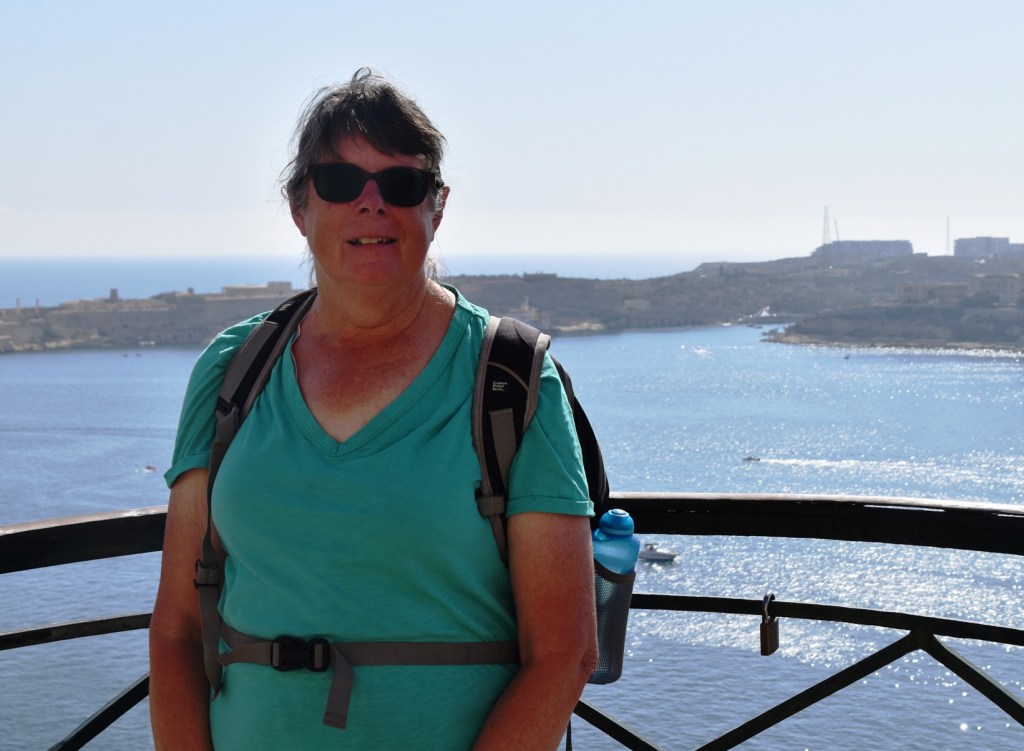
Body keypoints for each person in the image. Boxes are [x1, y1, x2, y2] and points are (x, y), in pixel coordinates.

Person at [149, 68, 598, 750]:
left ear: (436, 208)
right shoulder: (232, 370)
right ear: (300, 206)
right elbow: (176, 631)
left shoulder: (510, 379)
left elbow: (564, 653)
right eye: (338, 182)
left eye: (400, 184)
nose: (371, 204)